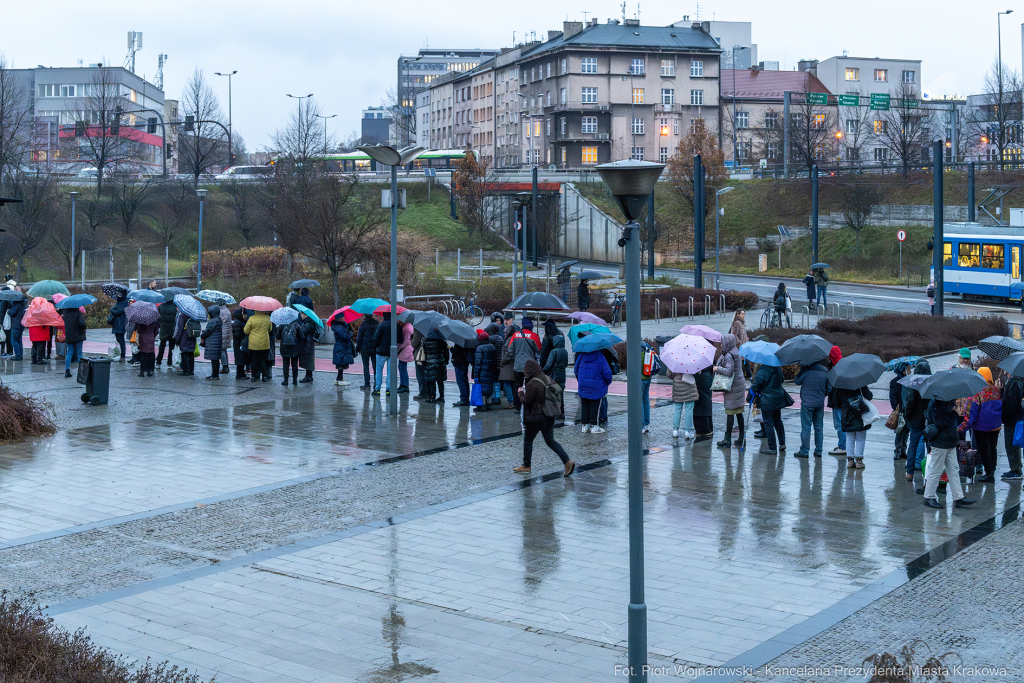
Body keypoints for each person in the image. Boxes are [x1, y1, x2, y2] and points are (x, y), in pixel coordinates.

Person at [514, 360, 576, 476]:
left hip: (535, 418)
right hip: (549, 415)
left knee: (528, 441)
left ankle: (526, 466)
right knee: (550, 441)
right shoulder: (547, 378)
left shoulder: (533, 383)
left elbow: (526, 402)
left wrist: (520, 393)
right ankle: (567, 461)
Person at [922, 398, 975, 509]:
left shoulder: (947, 402)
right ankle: (929, 497)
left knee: (954, 469)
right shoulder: (936, 403)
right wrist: (954, 413)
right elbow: (940, 423)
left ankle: (958, 497)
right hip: (940, 442)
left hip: (949, 441)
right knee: (936, 470)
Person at [959, 367, 1002, 483]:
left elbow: (969, 414)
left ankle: (989, 475)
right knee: (993, 448)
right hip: (996, 427)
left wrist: (961, 428)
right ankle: (991, 471)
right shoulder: (996, 390)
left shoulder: (976, 392)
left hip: (981, 427)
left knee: (984, 450)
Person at [715, 333, 747, 449]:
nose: (721, 344)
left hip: (733, 386)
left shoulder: (729, 355)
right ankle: (741, 438)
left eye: (723, 342)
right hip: (739, 384)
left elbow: (729, 371)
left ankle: (727, 439)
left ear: (727, 343)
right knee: (738, 412)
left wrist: (717, 368)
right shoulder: (735, 351)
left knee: (730, 412)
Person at [902, 359, 932, 481]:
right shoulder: (932, 384)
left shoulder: (914, 384)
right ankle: (929, 473)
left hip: (915, 419)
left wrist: (907, 416)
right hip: (929, 420)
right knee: (930, 447)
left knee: (913, 445)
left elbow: (910, 403)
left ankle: (910, 472)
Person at [834, 380, 874, 469]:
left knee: (849, 438)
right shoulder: (861, 382)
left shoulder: (841, 383)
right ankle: (859, 461)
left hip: (846, 413)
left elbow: (836, 400)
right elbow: (869, 396)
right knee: (861, 437)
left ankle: (850, 461)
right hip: (860, 411)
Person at [794, 358, 829, 458]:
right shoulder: (825, 371)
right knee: (819, 428)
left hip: (807, 404)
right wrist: (822, 395)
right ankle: (818, 451)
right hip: (819, 403)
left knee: (806, 427)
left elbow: (797, 381)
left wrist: (798, 371)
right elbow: (829, 388)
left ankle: (804, 451)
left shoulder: (805, 370)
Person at [750, 360, 786, 454]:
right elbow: (782, 380)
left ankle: (772, 447)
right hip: (778, 398)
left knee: (768, 422)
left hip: (767, 399)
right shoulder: (778, 369)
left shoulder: (762, 371)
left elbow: (756, 386)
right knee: (778, 420)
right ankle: (782, 443)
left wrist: (749, 397)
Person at [574, 347, 611, 433]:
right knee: (595, 405)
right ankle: (594, 425)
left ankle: (585, 425)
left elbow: (576, 370)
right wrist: (607, 382)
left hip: (583, 385)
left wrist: (580, 380)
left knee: (585, 404)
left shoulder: (582, 356)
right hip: (596, 386)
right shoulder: (601, 357)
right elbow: (607, 373)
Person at [507, 320, 541, 412]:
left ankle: (517, 406)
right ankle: (529, 406)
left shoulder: (515, 335)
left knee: (518, 386)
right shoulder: (534, 336)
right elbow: (539, 351)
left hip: (518, 365)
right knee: (530, 387)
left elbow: (510, 351)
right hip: (530, 367)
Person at [1000, 372, 1023, 480]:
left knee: (1011, 444)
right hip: (1012, 418)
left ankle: (1016, 470)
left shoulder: (1015, 381)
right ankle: (1015, 468)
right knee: (1011, 444)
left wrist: (1004, 413)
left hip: (1012, 419)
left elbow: (1013, 402)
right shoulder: (1013, 380)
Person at [541, 330, 568, 418]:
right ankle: (562, 412)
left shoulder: (554, 351)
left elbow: (548, 364)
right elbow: (566, 364)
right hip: (562, 373)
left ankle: (554, 411)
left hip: (554, 373)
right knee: (561, 392)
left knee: (553, 392)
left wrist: (543, 370)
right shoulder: (565, 351)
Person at [827, 346, 847, 456]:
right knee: (841, 423)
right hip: (843, 400)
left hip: (837, 400)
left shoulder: (835, 368)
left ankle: (842, 446)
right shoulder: (843, 364)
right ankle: (843, 444)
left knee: (839, 424)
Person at [242, 309, 271, 381]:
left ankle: (254, 376)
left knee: (254, 360)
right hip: (264, 342)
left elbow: (246, 330)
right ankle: (264, 376)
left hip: (253, 343)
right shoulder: (268, 318)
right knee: (263, 360)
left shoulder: (252, 318)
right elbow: (270, 329)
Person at [421, 329, 449, 402]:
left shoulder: (426, 341)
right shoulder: (442, 341)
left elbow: (424, 352)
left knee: (431, 380)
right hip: (440, 362)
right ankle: (442, 397)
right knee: (440, 380)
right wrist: (446, 361)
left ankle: (432, 396)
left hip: (430, 362)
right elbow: (446, 353)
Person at [472, 329, 498, 412]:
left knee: (481, 388)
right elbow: (495, 360)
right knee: (489, 387)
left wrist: (476, 375)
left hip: (482, 371)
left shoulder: (479, 348)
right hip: (491, 371)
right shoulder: (492, 347)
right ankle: (489, 404)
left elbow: (478, 363)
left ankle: (482, 405)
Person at [890, 363, 911, 460]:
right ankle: (897, 451)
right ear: (903, 369)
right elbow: (893, 397)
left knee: (906, 430)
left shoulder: (909, 380)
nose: (910, 370)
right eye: (908, 368)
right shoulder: (895, 382)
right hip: (900, 410)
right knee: (900, 431)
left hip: (908, 409)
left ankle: (903, 450)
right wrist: (896, 408)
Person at [669, 370, 697, 440]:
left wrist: (675, 378)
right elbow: (697, 371)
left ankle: (675, 431)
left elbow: (668, 374)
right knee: (689, 410)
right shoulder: (692, 359)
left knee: (677, 409)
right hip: (689, 386)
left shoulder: (675, 358)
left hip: (677, 386)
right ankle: (687, 432)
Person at [639, 340, 659, 434]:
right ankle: (646, 424)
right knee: (646, 401)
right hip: (648, 377)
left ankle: (642, 425)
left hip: (640, 379)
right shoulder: (646, 348)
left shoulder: (636, 352)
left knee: (640, 402)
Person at [60, 303, 86, 377]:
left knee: (69, 353)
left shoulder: (65, 315)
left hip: (69, 336)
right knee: (79, 354)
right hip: (78, 336)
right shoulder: (78, 314)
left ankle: (67, 370)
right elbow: (82, 323)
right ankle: (82, 371)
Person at [371, 312, 393, 396]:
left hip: (381, 352)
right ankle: (388, 390)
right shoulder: (396, 326)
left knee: (379, 370)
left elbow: (376, 338)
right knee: (390, 371)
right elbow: (400, 339)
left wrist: (376, 346)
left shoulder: (381, 325)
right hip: (392, 352)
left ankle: (377, 390)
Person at [354, 314, 378, 390]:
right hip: (374, 348)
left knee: (366, 366)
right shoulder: (376, 324)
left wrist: (357, 349)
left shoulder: (363, 324)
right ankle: (376, 382)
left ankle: (367, 383)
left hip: (365, 347)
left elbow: (359, 338)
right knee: (375, 366)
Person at [497, 322, 518, 407]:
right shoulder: (514, 339)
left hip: (507, 366)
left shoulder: (509, 340)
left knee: (507, 384)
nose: (504, 333)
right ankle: (514, 401)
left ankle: (510, 401)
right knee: (512, 384)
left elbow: (508, 353)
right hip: (512, 365)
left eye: (506, 332)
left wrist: (502, 362)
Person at [277, 318, 302, 386]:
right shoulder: (297, 325)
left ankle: (286, 380)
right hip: (295, 348)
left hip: (284, 348)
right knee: (294, 365)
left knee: (285, 364)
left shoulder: (282, 325)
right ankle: (294, 380)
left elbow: (278, 337)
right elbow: (302, 337)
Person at [694, 366, 715, 443]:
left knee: (700, 402)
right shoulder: (709, 356)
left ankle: (702, 429)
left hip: (700, 376)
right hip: (707, 375)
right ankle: (708, 428)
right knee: (706, 400)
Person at [331, 316, 354, 386]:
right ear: (340, 318)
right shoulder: (339, 327)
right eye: (343, 317)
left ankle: (338, 378)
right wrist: (350, 331)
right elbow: (346, 337)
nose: (344, 318)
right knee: (341, 364)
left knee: (341, 363)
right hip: (341, 348)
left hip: (341, 347)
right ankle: (340, 379)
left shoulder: (340, 326)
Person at [450, 342, 474, 406]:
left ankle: (464, 399)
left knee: (461, 381)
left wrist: (452, 349)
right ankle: (465, 398)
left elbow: (457, 353)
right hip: (464, 364)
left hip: (459, 363)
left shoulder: (460, 344)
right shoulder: (468, 343)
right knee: (465, 381)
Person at [108, 291, 129, 362]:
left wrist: (112, 310)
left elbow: (118, 311)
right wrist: (113, 309)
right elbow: (114, 309)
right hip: (116, 323)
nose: (118, 295)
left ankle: (123, 356)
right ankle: (120, 355)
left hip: (122, 323)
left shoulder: (125, 302)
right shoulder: (118, 301)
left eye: (119, 294)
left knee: (121, 340)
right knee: (118, 340)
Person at [296, 312, 317, 384]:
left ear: (306, 315)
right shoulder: (308, 322)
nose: (301, 316)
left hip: (307, 344)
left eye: (302, 314)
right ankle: (309, 376)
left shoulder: (308, 323)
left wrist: (299, 328)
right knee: (309, 360)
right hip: (309, 343)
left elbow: (302, 333)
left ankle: (308, 377)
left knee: (308, 360)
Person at [156, 299, 177, 368]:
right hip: (172, 329)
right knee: (171, 347)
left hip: (163, 328)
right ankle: (169, 363)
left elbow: (158, 318)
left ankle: (158, 362)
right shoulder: (175, 307)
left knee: (162, 346)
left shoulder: (161, 306)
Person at [6, 293, 26, 361]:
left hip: (16, 324)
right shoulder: (23, 305)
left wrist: (8, 311)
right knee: (19, 340)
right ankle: (20, 355)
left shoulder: (16, 305)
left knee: (14, 340)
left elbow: (12, 313)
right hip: (21, 324)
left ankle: (17, 355)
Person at [231, 308, 249, 380]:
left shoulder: (239, 321)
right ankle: (239, 374)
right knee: (240, 359)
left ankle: (241, 373)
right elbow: (238, 335)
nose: (246, 316)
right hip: (239, 343)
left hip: (239, 343)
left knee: (241, 358)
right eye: (245, 314)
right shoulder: (238, 323)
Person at [397, 321, 413, 393]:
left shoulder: (405, 329)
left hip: (405, 350)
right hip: (407, 350)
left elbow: (405, 341)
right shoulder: (409, 326)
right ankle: (403, 384)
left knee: (402, 367)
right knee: (402, 367)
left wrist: (398, 348)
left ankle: (404, 385)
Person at [219, 304, 232, 376]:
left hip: (223, 333)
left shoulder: (222, 311)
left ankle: (225, 367)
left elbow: (220, 321)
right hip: (226, 333)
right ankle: (226, 366)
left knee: (222, 350)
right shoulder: (226, 310)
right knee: (224, 350)